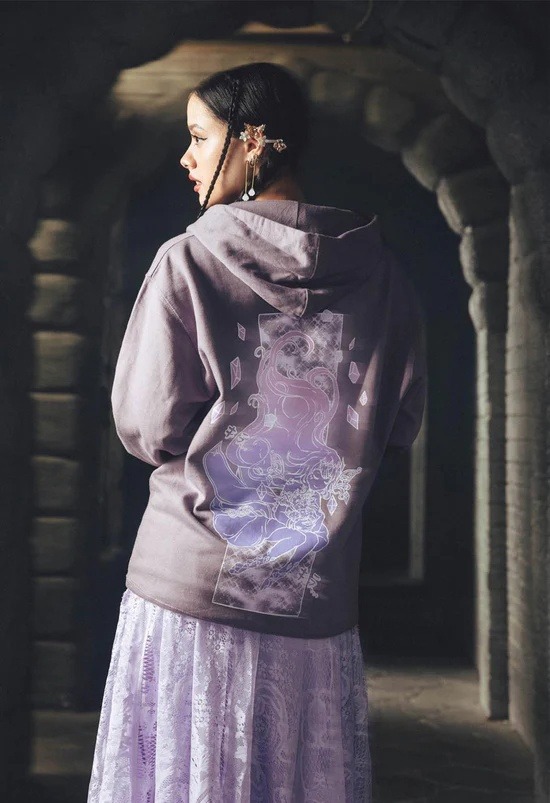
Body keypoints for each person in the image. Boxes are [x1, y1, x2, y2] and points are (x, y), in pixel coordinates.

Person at [87, 61, 426, 803]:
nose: (187, 157)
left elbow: (147, 425)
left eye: (199, 137)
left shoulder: (187, 262)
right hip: (314, 596)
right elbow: (397, 426)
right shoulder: (385, 278)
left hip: (190, 587)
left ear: (253, 140)